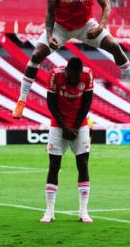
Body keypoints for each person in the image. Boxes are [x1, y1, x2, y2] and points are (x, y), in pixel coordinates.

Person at [40, 57, 94, 223]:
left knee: (83, 164)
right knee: (54, 165)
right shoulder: (55, 75)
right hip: (58, 124)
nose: (75, 80)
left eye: (77, 77)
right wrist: (64, 127)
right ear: (67, 71)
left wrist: (76, 127)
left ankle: (83, 211)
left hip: (80, 125)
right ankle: (49, 211)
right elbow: (51, 103)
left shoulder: (87, 75)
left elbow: (87, 103)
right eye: (72, 76)